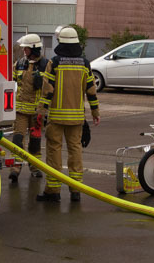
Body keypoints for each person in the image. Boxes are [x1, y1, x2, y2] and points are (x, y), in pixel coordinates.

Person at [36, 26, 99, 203]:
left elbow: (47, 90)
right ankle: (76, 190)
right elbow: (91, 91)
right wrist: (95, 112)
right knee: (75, 151)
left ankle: (53, 191)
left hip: (56, 118)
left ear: (60, 42)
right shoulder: (85, 64)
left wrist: (41, 112)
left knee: (54, 151)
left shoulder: (54, 63)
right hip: (77, 119)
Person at [9, 33, 48, 183]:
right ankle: (16, 168)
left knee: (35, 141)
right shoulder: (19, 63)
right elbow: (11, 80)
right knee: (18, 138)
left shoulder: (45, 64)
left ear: (34, 49)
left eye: (26, 49)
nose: (24, 51)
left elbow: (50, 88)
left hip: (37, 112)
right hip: (20, 111)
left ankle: (34, 167)